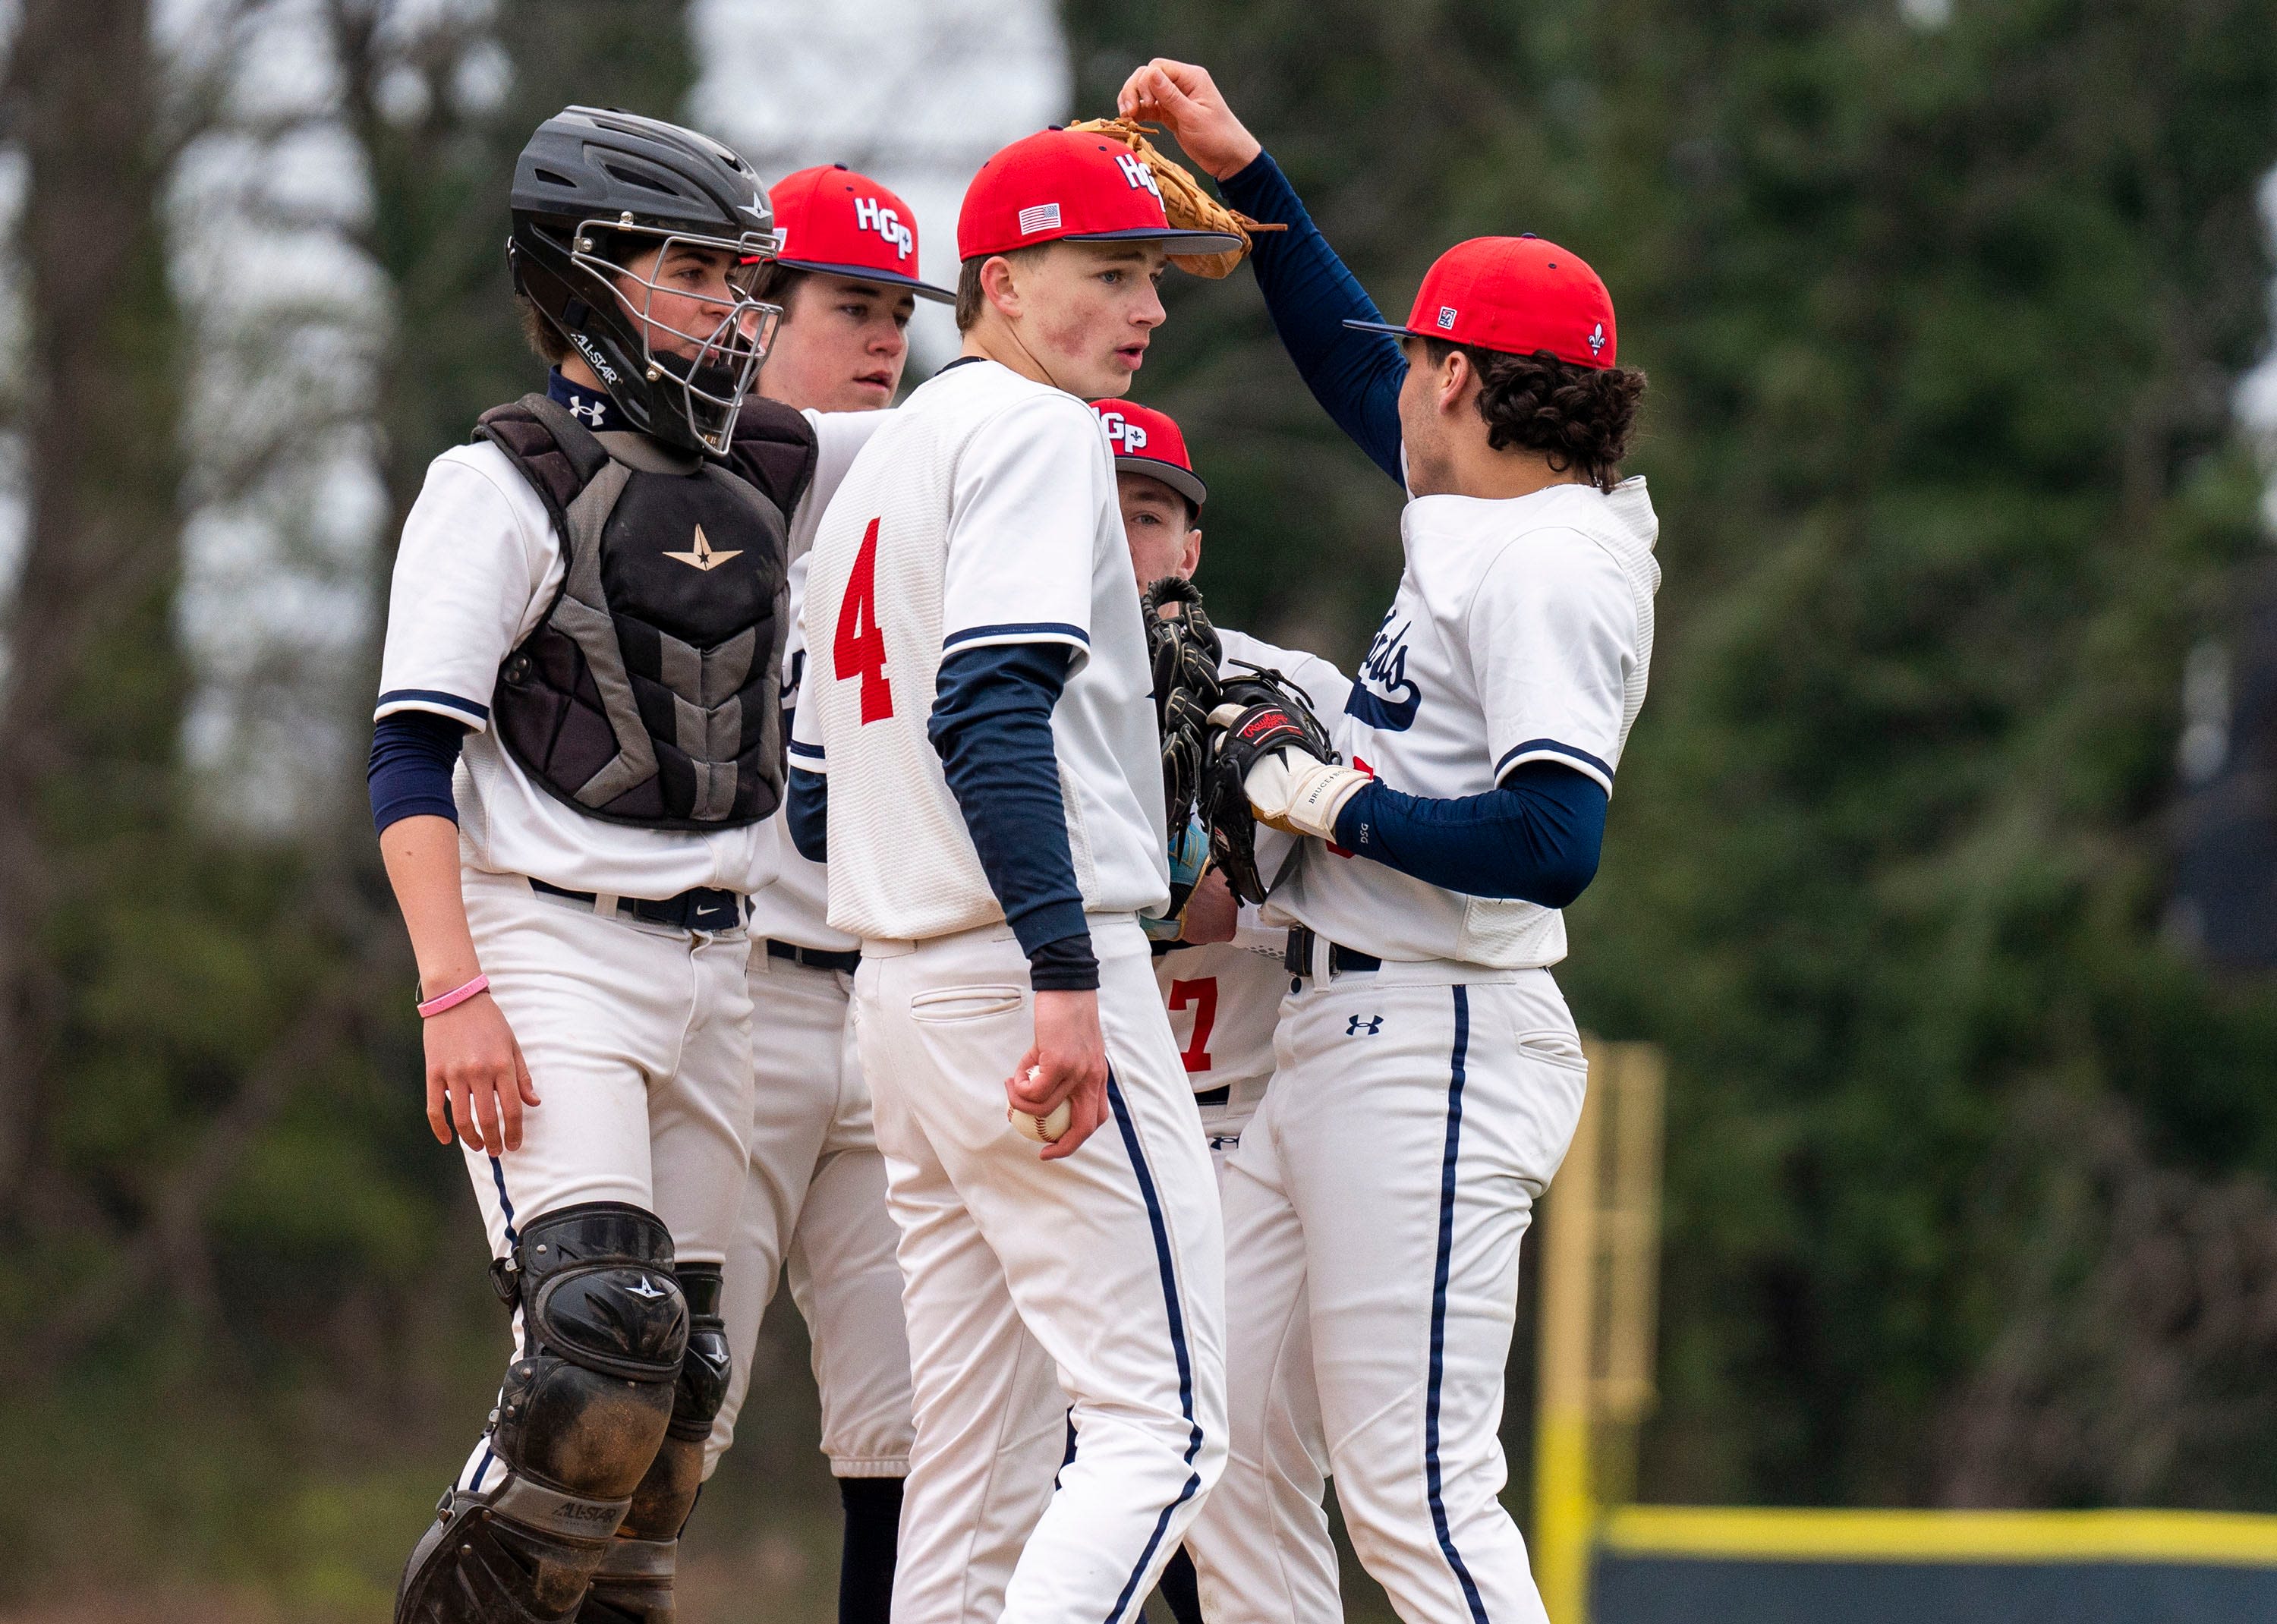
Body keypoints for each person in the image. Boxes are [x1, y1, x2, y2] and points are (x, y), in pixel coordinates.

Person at [1122, 60, 1662, 1624]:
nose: (1396, 382)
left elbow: (1559, 836)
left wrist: (1327, 799)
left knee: (1419, 1490)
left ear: (1458, 380)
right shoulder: (1497, 513)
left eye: (1414, 358)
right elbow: (1350, 380)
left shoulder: (1552, 565)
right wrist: (1255, 178)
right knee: (1217, 1458)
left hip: (1435, 1035)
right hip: (1345, 1027)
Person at [368, 106, 820, 1624]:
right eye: (695, 269)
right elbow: (408, 758)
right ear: (584, 275)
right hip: (547, 948)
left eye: (739, 273)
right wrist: (453, 992)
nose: (735, 304)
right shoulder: (496, 482)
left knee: (678, 1416)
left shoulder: (771, 466)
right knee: (599, 1348)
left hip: (723, 962)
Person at [787, 127, 1243, 1624]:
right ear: (999, 281)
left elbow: (806, 798)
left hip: (901, 993)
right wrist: (1059, 970)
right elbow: (988, 709)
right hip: (1033, 969)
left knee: (971, 1481)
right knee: (1164, 1429)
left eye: (1153, 276)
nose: (1148, 306)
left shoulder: (875, 466)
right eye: (1109, 272)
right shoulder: (1039, 433)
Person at [701, 162, 952, 1624]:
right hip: (728, 995)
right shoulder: (674, 485)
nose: (883, 340)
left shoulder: (924, 480)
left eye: (897, 313)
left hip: (890, 1000)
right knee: (648, 1415)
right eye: (849, 304)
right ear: (753, 310)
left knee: (922, 1440)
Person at [1092, 397, 1347, 1624]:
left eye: (1146, 515)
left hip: (1251, 1127)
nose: (1122, 541)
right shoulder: (1008, 687)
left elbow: (1370, 903)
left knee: (1237, 1485)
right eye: (1097, 514)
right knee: (1077, 1483)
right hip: (1088, 1136)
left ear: (1191, 543)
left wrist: (1247, 868)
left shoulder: (1289, 683)